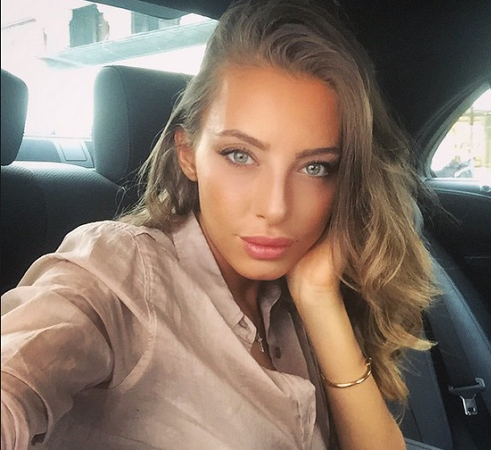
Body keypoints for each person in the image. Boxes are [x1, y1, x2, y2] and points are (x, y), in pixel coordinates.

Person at [1, 0, 438, 449]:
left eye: (315, 167)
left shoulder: (297, 295)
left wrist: (319, 298)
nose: (276, 208)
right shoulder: (118, 270)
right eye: (240, 155)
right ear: (188, 154)